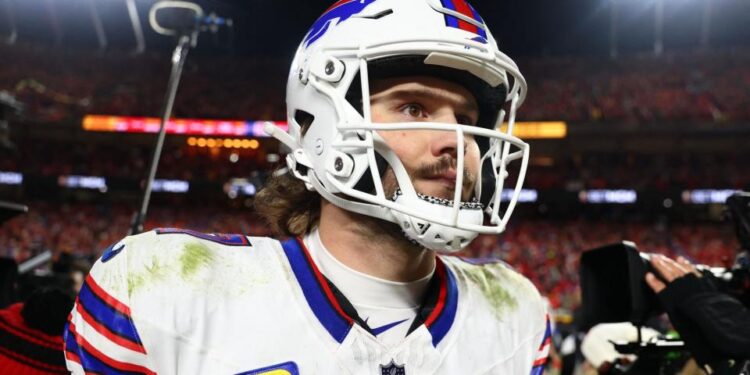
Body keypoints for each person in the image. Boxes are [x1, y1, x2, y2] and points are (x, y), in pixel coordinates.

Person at [64, 0, 550, 373]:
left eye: (466, 118)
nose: (458, 142)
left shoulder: (517, 314)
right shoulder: (164, 290)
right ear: (324, 125)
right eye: (413, 108)